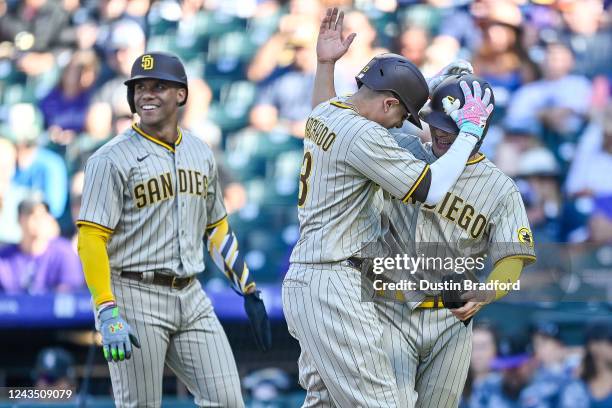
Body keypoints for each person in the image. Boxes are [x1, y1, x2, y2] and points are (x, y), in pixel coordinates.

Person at [309, 8, 534, 407]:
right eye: (437, 124)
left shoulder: (499, 187)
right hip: (389, 307)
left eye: (454, 128)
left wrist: (487, 293)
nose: (442, 135)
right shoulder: (405, 146)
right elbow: (333, 125)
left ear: (477, 129)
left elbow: (513, 256)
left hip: (451, 320)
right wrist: (326, 68)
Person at [76, 52, 270, 407]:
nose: (146, 94)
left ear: (181, 94)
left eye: (158, 86)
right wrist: (106, 309)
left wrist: (247, 287)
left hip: (191, 295)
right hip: (134, 293)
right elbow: (91, 238)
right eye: (139, 88)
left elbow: (216, 227)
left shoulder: (200, 151)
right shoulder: (109, 159)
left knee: (228, 401)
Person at [0, 197, 83, 294]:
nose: (38, 220)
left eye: (43, 215)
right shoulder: (4, 257)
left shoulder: (64, 253)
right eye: (31, 214)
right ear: (19, 219)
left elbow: (71, 294)